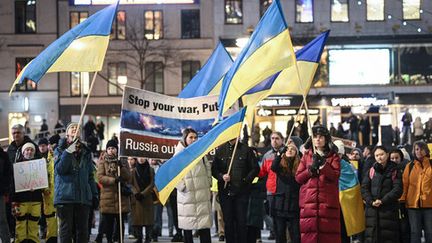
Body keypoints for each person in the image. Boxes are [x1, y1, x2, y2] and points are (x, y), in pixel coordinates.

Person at [295, 125, 341, 243]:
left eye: (321, 137)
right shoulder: (306, 156)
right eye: (315, 137)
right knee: (310, 237)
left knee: (328, 237)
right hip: (308, 205)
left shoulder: (333, 156)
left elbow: (335, 176)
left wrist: (323, 165)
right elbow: (298, 178)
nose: (318, 139)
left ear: (326, 139)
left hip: (327, 205)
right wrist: (310, 170)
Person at [54, 122, 98, 243]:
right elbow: (61, 170)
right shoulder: (59, 150)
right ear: (67, 133)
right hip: (65, 197)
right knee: (66, 231)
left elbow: (90, 176)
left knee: (83, 232)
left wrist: (94, 195)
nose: (74, 129)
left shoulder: (86, 152)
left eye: (76, 128)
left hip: (83, 197)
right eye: (71, 128)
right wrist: (68, 151)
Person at [212, 138, 259, 243]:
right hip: (225, 192)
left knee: (241, 222)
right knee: (228, 222)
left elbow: (255, 168)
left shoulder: (246, 149)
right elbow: (214, 169)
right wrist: (221, 176)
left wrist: (246, 180)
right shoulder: (220, 150)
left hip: (241, 193)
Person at [175, 128, 212, 243]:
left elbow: (207, 168)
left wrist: (208, 183)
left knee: (204, 227)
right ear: (184, 139)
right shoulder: (178, 154)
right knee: (188, 228)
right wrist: (182, 187)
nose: (194, 139)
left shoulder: (201, 152)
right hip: (187, 196)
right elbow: (173, 173)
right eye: (191, 137)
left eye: (195, 137)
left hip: (201, 194)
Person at [361, 146, 403, 242]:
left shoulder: (395, 170)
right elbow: (364, 188)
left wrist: (383, 201)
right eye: (377, 155)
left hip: (389, 211)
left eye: (382, 154)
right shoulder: (371, 171)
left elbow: (398, 189)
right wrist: (371, 201)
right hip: (372, 211)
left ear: (387, 155)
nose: (379, 157)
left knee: (389, 237)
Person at [97, 139, 131, 243]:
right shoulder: (103, 161)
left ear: (117, 149)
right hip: (108, 198)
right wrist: (113, 180)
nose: (111, 150)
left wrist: (121, 167)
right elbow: (100, 177)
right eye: (109, 148)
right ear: (106, 150)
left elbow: (128, 177)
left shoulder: (122, 161)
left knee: (120, 224)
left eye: (113, 148)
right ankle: (109, 240)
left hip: (121, 198)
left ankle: (120, 240)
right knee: (109, 224)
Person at [400, 141, 432, 243]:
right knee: (415, 232)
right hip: (412, 205)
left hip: (430, 205)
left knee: (430, 232)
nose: (419, 151)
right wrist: (402, 201)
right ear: (414, 151)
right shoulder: (409, 166)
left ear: (426, 150)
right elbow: (405, 185)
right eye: (417, 149)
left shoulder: (431, 165)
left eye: (422, 149)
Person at [12, 142, 43, 243]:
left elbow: (43, 182)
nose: (29, 152)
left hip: (36, 199)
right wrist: (14, 201)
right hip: (21, 200)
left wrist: (37, 188)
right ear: (23, 152)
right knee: (20, 224)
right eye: (27, 150)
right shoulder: (17, 166)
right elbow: (13, 185)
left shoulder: (39, 165)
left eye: (31, 150)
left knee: (34, 224)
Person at [258, 131, 286, 240]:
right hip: (271, 191)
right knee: (270, 215)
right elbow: (262, 172)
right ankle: (273, 232)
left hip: (283, 191)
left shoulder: (287, 152)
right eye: (272, 138)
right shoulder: (267, 155)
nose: (274, 141)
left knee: (282, 219)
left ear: (282, 140)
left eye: (277, 138)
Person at [270, 143, 300, 243]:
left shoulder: (299, 165)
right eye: (287, 149)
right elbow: (273, 167)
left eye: (293, 149)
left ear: (296, 152)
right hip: (280, 203)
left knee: (295, 234)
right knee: (280, 234)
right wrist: (280, 153)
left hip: (294, 204)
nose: (289, 150)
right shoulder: (280, 165)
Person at [130, 158, 155, 243]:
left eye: (143, 157)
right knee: (138, 219)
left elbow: (152, 183)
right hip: (137, 199)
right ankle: (139, 237)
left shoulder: (151, 170)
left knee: (149, 220)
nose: (141, 159)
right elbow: (130, 184)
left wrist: (143, 194)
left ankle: (148, 238)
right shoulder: (133, 170)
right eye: (139, 157)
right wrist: (136, 193)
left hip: (147, 198)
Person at [38, 138, 58, 243]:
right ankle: (42, 229)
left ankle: (50, 234)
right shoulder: (36, 157)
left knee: (50, 213)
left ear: (47, 146)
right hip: (38, 190)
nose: (42, 147)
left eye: (44, 145)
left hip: (49, 190)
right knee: (41, 212)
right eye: (40, 145)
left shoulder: (52, 157)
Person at [389, 149, 410, 243]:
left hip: (404, 202)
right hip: (392, 202)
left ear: (401, 158)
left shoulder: (407, 168)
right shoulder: (388, 170)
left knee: (405, 227)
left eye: (396, 157)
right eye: (392, 158)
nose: (394, 160)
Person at [0, 147, 12, 243]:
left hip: (0, 193)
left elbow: (8, 174)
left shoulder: (3, 155)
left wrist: (5, 190)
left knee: (2, 220)